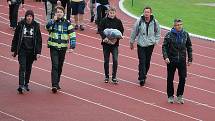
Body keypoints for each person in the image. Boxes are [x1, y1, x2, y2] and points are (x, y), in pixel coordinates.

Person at [46, 6, 76, 93]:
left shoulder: (67, 23)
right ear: (55, 13)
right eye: (57, 12)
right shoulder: (53, 22)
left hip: (63, 47)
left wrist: (72, 46)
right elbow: (47, 28)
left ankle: (57, 82)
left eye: (61, 12)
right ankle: (54, 85)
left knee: (60, 66)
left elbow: (72, 35)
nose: (59, 13)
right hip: (53, 47)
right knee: (55, 65)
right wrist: (52, 21)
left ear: (63, 14)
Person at [11, 10, 42, 94]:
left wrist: (38, 52)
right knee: (22, 67)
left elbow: (39, 40)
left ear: (33, 17)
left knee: (28, 68)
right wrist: (13, 49)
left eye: (30, 16)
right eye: (28, 16)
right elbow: (16, 37)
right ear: (25, 17)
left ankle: (26, 83)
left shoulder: (36, 25)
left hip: (31, 51)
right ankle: (21, 85)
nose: (29, 17)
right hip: (22, 50)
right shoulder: (21, 24)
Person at [162, 19, 193, 104]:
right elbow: (164, 47)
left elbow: (189, 46)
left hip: (182, 60)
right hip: (171, 60)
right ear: (174, 26)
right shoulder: (169, 35)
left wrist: (190, 59)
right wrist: (166, 57)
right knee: (170, 78)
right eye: (178, 25)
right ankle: (170, 96)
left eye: (181, 24)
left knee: (183, 78)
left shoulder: (185, 34)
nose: (179, 26)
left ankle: (179, 95)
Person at [130, 6, 161, 87]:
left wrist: (156, 41)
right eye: (145, 12)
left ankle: (144, 74)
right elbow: (134, 31)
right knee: (142, 61)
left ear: (151, 13)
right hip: (141, 44)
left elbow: (158, 32)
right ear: (143, 13)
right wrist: (131, 42)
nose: (146, 13)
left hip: (150, 45)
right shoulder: (139, 21)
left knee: (147, 62)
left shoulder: (155, 22)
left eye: (148, 12)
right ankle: (141, 78)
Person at [99, 7, 124, 84]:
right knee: (106, 60)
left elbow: (121, 31)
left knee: (115, 60)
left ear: (115, 13)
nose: (112, 14)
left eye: (113, 13)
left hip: (115, 44)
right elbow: (100, 30)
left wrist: (116, 39)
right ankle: (106, 76)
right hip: (106, 44)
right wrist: (104, 37)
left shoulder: (118, 21)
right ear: (108, 13)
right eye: (110, 13)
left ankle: (114, 77)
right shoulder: (104, 20)